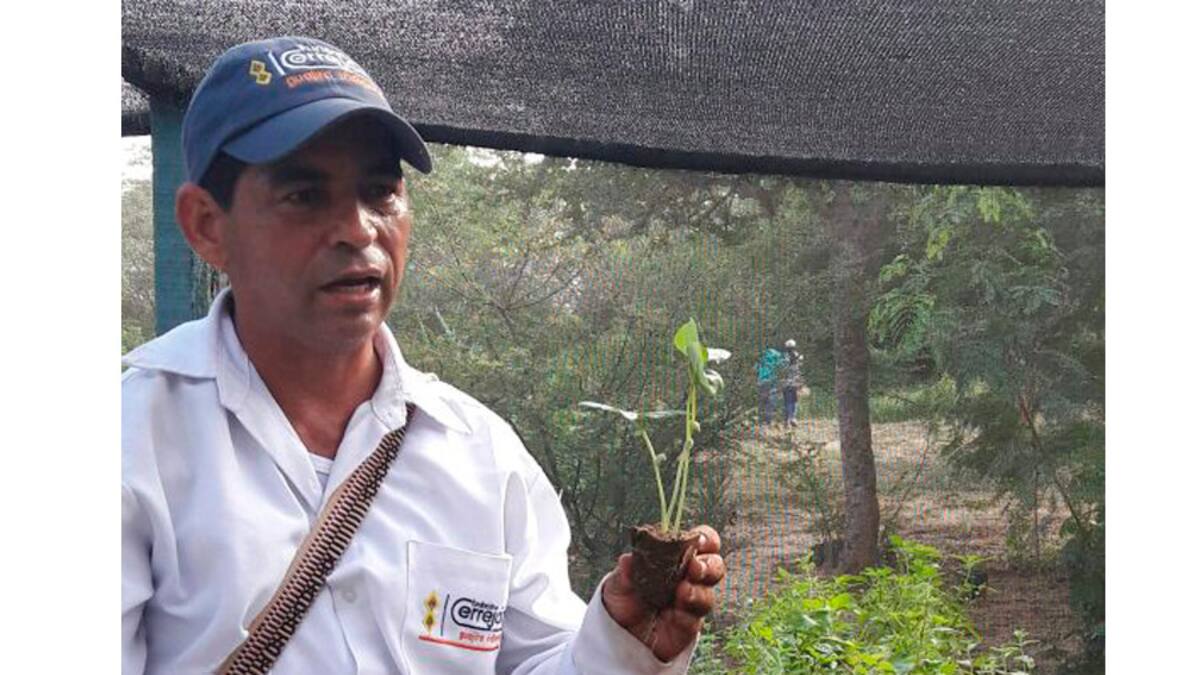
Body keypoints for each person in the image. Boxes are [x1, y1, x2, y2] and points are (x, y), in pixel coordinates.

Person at [122, 36, 724, 675]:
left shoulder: (482, 454)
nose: (358, 229)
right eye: (304, 196)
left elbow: (542, 659)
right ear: (206, 225)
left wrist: (624, 644)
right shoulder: (131, 443)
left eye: (380, 192)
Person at [780, 339, 807, 427]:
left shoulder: (783, 357)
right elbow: (801, 369)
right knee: (794, 401)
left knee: (786, 401)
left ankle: (787, 420)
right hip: (795, 382)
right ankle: (792, 418)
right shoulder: (798, 356)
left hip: (785, 383)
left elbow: (780, 369)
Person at [755, 345, 784, 424]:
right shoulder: (776, 356)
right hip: (772, 381)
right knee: (771, 400)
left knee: (761, 400)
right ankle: (769, 419)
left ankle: (760, 419)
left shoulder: (761, 358)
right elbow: (782, 366)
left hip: (761, 381)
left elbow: (755, 368)